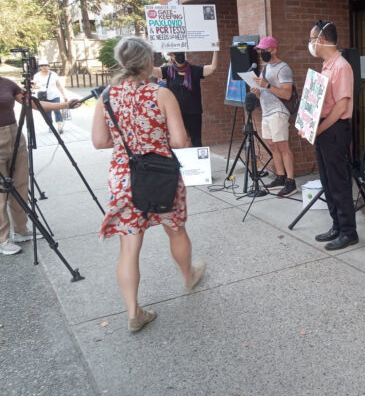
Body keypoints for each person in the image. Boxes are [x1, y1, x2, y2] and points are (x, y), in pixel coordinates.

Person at [92, 36, 205, 333]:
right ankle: (188, 275)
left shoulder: (107, 95)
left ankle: (133, 312)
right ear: (146, 62)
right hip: (161, 174)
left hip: (123, 177)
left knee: (129, 245)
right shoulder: (161, 94)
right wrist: (155, 141)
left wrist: (127, 142)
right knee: (175, 228)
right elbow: (180, 140)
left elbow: (99, 141)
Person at [0, 63, 77, 255]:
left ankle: (21, 229)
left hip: (15, 136)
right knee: (1, 192)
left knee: (21, 185)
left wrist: (65, 105)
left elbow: (32, 103)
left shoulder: (7, 84)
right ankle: (3, 239)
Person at [308, 20, 358, 251]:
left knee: (338, 182)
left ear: (323, 40)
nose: (311, 43)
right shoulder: (326, 65)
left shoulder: (341, 66)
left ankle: (349, 231)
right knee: (327, 181)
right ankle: (337, 225)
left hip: (335, 128)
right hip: (324, 129)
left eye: (312, 38)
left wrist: (319, 128)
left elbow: (340, 106)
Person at [251, 36, 296, 197]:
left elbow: (287, 93)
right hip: (266, 112)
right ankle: (281, 177)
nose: (263, 53)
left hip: (278, 111)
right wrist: (258, 91)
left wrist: (267, 85)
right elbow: (265, 93)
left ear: (274, 49)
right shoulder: (265, 69)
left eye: (265, 50)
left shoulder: (283, 68)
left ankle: (291, 182)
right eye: (261, 50)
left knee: (283, 146)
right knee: (273, 146)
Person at [151, 44, 219, 147]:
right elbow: (151, 71)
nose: (180, 56)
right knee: (178, 141)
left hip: (194, 112)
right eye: (177, 54)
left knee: (196, 141)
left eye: (182, 53)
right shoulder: (168, 71)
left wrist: (215, 50)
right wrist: (147, 53)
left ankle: (198, 162)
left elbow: (212, 67)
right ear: (172, 57)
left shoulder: (194, 70)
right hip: (175, 113)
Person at [32, 60, 69, 133]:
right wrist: (29, 92)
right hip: (43, 97)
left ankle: (59, 126)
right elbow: (33, 85)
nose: (44, 67)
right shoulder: (37, 75)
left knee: (57, 110)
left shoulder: (53, 74)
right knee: (47, 113)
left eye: (46, 65)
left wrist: (64, 95)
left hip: (55, 95)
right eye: (42, 65)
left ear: (48, 66)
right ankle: (50, 126)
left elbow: (59, 85)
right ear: (40, 67)